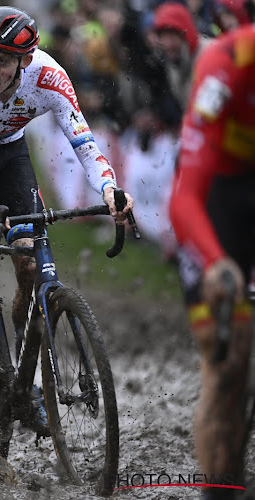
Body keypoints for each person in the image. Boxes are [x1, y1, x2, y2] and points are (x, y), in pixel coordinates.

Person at [0, 6, 134, 398]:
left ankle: (23, 365)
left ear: (25, 60)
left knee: (28, 258)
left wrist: (109, 188)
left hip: (9, 154)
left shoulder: (50, 77)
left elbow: (85, 146)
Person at [169, 23, 255, 500]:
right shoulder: (225, 65)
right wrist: (218, 262)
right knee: (229, 366)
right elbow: (184, 200)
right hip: (215, 203)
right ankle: (219, 489)